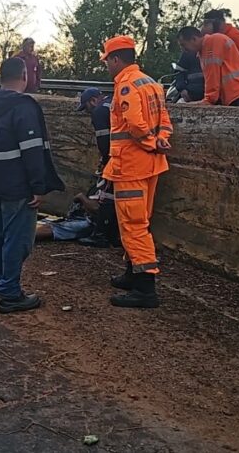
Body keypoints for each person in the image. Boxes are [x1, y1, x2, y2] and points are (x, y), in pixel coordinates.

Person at [0, 57, 65, 313]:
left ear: (0, 77)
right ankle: (10, 293)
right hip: (17, 186)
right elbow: (32, 150)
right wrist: (39, 186)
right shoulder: (23, 107)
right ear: (24, 75)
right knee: (18, 240)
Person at [100, 36, 172, 308]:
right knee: (140, 220)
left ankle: (145, 289)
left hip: (131, 165)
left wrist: (152, 142)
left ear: (117, 59)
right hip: (151, 165)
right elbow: (164, 119)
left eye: (107, 60)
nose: (107, 65)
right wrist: (161, 140)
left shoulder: (127, 85)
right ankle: (133, 274)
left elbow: (134, 124)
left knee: (133, 225)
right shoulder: (152, 83)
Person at [75, 88, 120, 248]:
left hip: (117, 157)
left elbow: (104, 141)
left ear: (93, 100)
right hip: (131, 154)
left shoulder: (100, 111)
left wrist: (105, 162)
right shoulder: (113, 101)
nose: (88, 112)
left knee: (106, 196)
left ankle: (101, 235)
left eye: (87, 107)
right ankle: (116, 236)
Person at [177, 27, 239, 107]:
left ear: (194, 39)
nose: (183, 49)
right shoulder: (203, 51)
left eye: (183, 45)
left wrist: (208, 100)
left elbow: (212, 75)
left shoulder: (211, 43)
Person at [202, 9, 239, 73]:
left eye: (206, 24)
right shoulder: (221, 37)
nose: (204, 28)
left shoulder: (234, 36)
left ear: (218, 23)